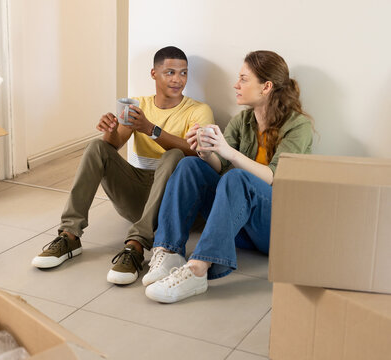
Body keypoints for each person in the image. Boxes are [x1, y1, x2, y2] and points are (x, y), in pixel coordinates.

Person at [31, 46, 214, 285]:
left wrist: (151, 129)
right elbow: (113, 146)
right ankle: (69, 235)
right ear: (153, 74)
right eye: (170, 72)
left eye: (183, 73)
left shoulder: (198, 110)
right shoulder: (139, 106)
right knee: (96, 147)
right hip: (137, 196)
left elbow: (199, 152)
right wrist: (109, 132)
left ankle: (136, 246)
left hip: (176, 203)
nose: (178, 79)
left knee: (175, 155)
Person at [143, 50, 314, 303]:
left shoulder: (298, 126)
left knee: (238, 178)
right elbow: (219, 165)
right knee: (191, 164)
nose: (236, 85)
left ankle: (198, 269)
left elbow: (274, 177)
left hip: (276, 227)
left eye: (244, 79)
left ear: (266, 87)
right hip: (237, 224)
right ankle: (169, 250)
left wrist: (228, 152)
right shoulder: (242, 120)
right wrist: (206, 150)